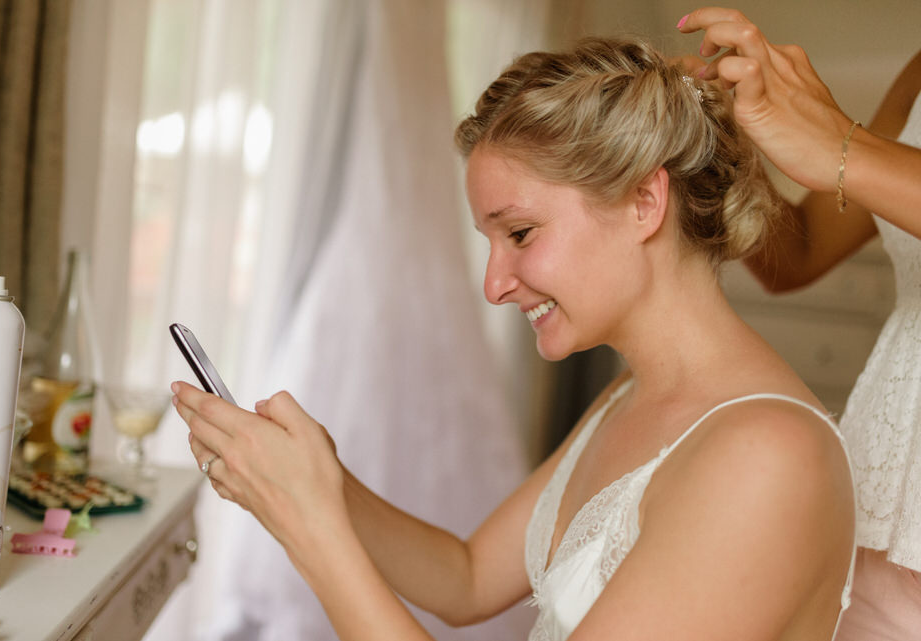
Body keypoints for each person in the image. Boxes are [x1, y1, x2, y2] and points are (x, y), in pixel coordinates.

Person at [172, 35, 857, 641]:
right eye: (490, 244)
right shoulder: (634, 396)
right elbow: (464, 578)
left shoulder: (767, 455)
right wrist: (321, 475)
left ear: (644, 203)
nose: (495, 285)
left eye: (521, 234)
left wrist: (308, 527)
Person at [677, 8, 921, 639]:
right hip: (883, 508)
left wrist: (841, 141)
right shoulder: (919, 73)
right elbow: (799, 252)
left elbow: (841, 158)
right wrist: (718, 144)